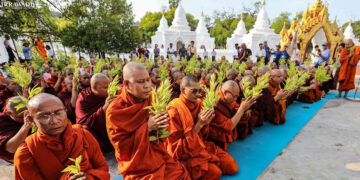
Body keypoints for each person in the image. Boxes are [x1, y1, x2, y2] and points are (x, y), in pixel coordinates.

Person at [106, 62, 190, 180]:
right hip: (136, 165)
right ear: (127, 85)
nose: (147, 86)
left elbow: (162, 137)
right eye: (141, 82)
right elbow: (121, 147)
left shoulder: (153, 99)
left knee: (182, 175)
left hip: (158, 157)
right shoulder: (115, 110)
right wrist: (147, 128)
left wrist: (162, 124)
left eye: (148, 80)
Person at [14, 93, 110, 180]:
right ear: (31, 119)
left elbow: (103, 169)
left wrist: (88, 177)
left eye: (58, 112)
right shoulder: (26, 153)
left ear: (66, 111)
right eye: (44, 116)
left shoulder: (83, 134)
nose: (54, 121)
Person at [167, 75, 238, 179]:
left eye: (199, 91)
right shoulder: (174, 110)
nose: (198, 94)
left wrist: (206, 123)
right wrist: (199, 124)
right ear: (182, 89)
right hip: (185, 153)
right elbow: (176, 150)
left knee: (232, 166)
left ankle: (210, 161)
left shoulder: (199, 103)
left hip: (200, 144)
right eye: (194, 91)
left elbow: (204, 135)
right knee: (216, 173)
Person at [208, 80, 256, 150]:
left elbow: (241, 116)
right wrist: (242, 109)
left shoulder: (230, 101)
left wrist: (245, 109)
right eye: (234, 96)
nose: (235, 99)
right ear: (225, 93)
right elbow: (229, 126)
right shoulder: (215, 104)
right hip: (214, 139)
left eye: (237, 96)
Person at [76, 73, 116, 152]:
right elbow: (83, 122)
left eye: (110, 86)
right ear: (94, 87)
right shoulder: (84, 99)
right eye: (106, 87)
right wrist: (104, 108)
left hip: (109, 130)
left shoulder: (109, 94)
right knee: (84, 129)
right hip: (97, 134)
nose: (109, 90)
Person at [0, 97, 30, 163]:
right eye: (20, 117)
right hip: (13, 159)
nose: (24, 119)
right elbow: (11, 148)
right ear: (9, 113)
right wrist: (26, 126)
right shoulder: (2, 121)